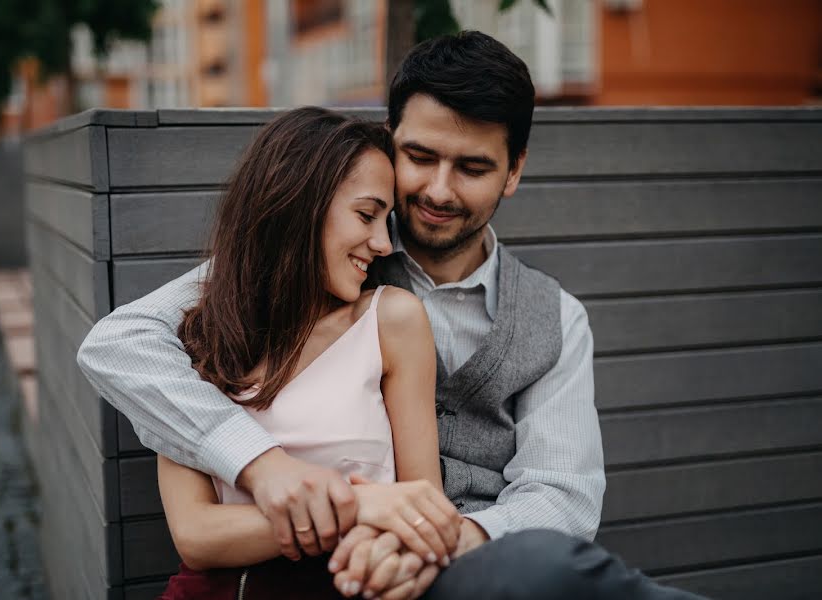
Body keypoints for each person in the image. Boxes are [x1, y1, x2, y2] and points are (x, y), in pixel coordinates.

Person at [79, 31, 707, 600]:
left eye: (473, 167)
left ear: (514, 172)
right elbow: (120, 342)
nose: (438, 190)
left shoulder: (557, 319)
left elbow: (562, 496)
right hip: (340, 566)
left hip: (477, 557)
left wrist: (439, 538)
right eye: (422, 156)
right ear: (390, 140)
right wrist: (261, 465)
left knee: (548, 567)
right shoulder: (321, 262)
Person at [151, 107, 456, 598]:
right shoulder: (196, 339)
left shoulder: (391, 321)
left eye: (388, 221)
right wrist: (359, 508)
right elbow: (196, 537)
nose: (382, 243)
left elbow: (422, 505)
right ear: (299, 205)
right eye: (366, 214)